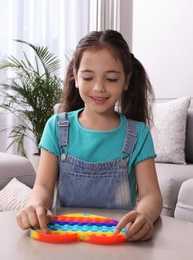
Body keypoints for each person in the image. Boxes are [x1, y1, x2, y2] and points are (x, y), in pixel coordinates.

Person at [16, 30, 163, 241]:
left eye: (111, 78)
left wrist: (144, 215)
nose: (99, 87)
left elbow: (151, 195)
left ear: (126, 81)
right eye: (88, 77)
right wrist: (36, 205)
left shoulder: (138, 133)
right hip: (66, 239)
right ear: (75, 78)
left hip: (118, 241)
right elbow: (43, 187)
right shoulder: (56, 127)